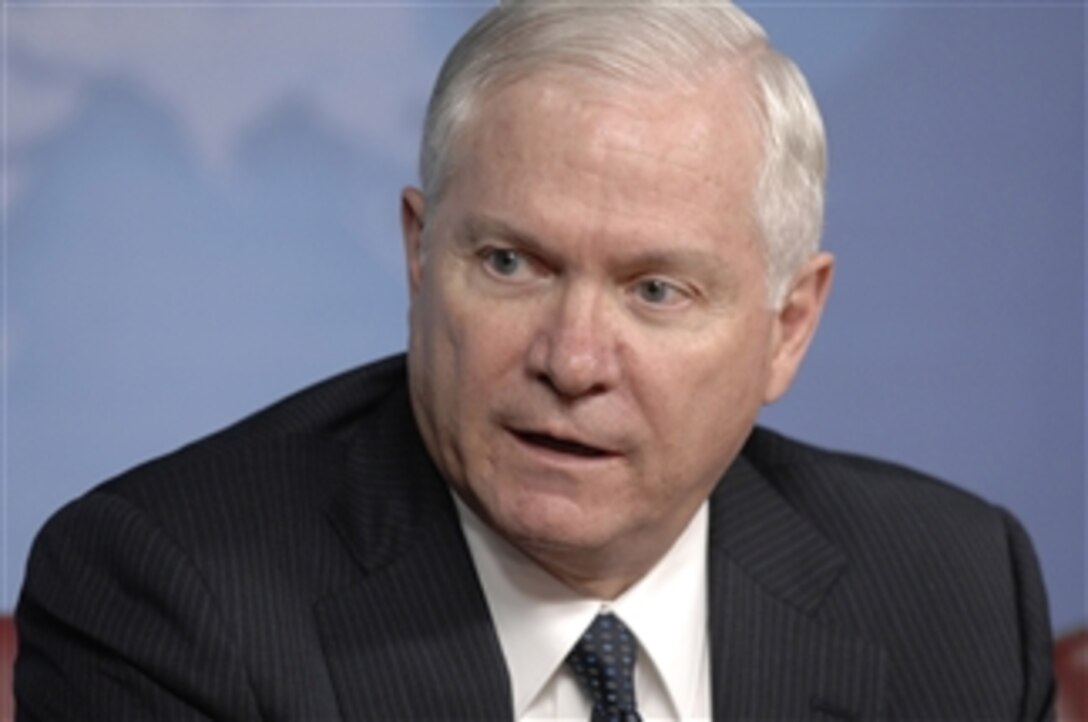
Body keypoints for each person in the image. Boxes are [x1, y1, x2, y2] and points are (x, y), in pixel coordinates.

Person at [15, 0, 1055, 720]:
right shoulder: (168, 593)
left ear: (787, 326)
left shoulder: (951, 590)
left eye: (656, 289)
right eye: (510, 262)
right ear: (421, 255)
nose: (571, 358)